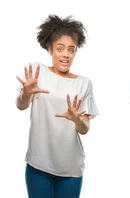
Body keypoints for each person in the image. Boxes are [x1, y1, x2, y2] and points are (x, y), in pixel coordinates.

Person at [16, 14, 99, 198]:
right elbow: (21, 105)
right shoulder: (38, 72)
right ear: (50, 49)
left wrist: (77, 119)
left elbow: (85, 129)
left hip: (70, 168)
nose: (66, 55)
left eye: (71, 50)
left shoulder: (84, 84)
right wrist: (26, 92)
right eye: (60, 49)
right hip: (38, 164)